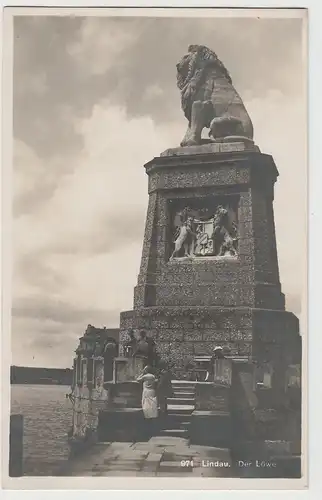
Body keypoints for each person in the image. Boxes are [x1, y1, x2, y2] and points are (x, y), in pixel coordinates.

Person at [136, 365, 158, 437]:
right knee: (152, 405)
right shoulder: (153, 376)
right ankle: (152, 418)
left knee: (146, 404)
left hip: (146, 391)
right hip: (152, 391)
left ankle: (147, 417)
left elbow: (137, 379)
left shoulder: (145, 376)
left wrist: (142, 373)